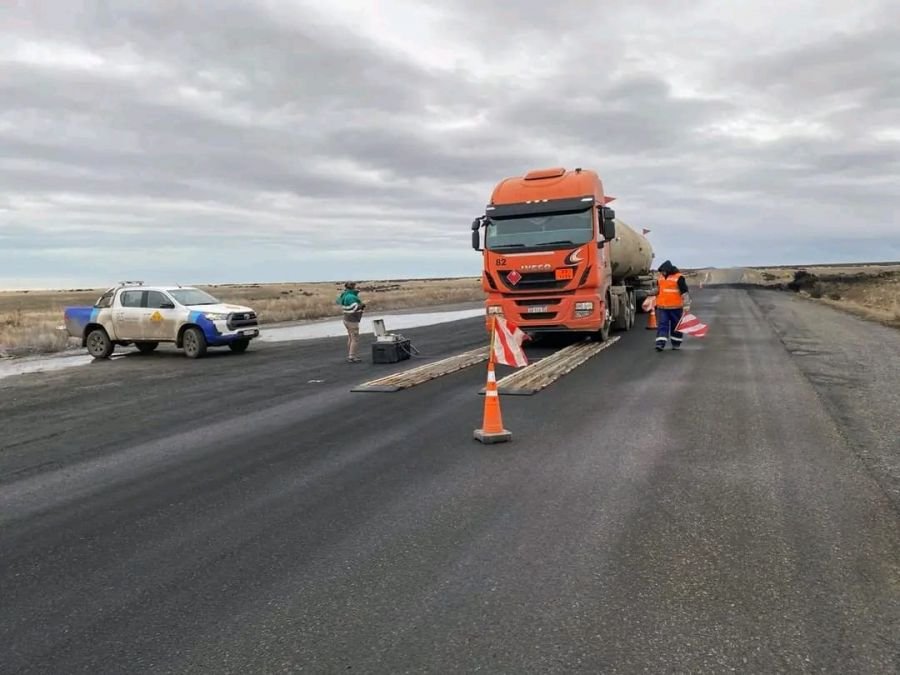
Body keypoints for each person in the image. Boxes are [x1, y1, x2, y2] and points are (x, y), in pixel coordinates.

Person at [653, 260, 690, 351]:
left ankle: (676, 343)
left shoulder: (679, 278)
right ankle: (660, 344)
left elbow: (684, 293)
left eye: (663, 271)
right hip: (663, 307)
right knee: (662, 325)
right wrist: (649, 294)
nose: (662, 273)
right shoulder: (660, 278)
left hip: (676, 307)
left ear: (668, 270)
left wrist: (686, 305)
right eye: (661, 271)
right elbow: (658, 290)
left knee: (676, 326)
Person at [337, 281, 365, 362]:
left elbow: (338, 301)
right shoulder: (351, 297)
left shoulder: (344, 295)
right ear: (353, 287)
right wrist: (362, 305)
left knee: (350, 337)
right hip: (352, 320)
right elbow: (355, 307)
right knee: (355, 339)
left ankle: (350, 354)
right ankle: (352, 356)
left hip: (346, 318)